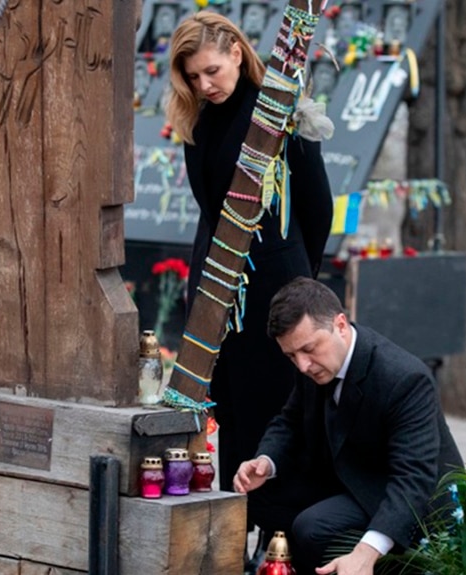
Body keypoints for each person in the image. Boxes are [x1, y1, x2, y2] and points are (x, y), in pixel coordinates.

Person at [166, 11, 334, 528]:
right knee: (234, 412)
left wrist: (297, 278)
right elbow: (210, 209)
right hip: (217, 290)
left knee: (277, 411)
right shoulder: (198, 121)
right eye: (194, 76)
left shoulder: (278, 109)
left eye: (212, 70)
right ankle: (237, 527)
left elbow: (318, 206)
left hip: (275, 287)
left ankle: (283, 534)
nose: (204, 84)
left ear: (237, 53)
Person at [233, 277, 463, 575]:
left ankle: (372, 565)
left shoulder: (405, 378)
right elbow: (289, 421)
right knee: (256, 494)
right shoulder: (313, 363)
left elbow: (413, 478)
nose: (302, 365)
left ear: (340, 325)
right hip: (350, 476)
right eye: (291, 356)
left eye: (308, 349)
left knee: (312, 528)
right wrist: (266, 462)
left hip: (407, 498)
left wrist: (367, 551)